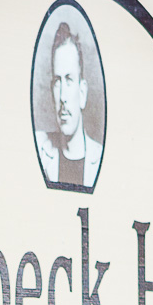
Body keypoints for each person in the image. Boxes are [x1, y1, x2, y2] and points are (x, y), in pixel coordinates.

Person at [35, 21, 103, 187]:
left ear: (82, 92)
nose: (63, 97)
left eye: (69, 80)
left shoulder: (102, 157)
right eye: (58, 82)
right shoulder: (38, 149)